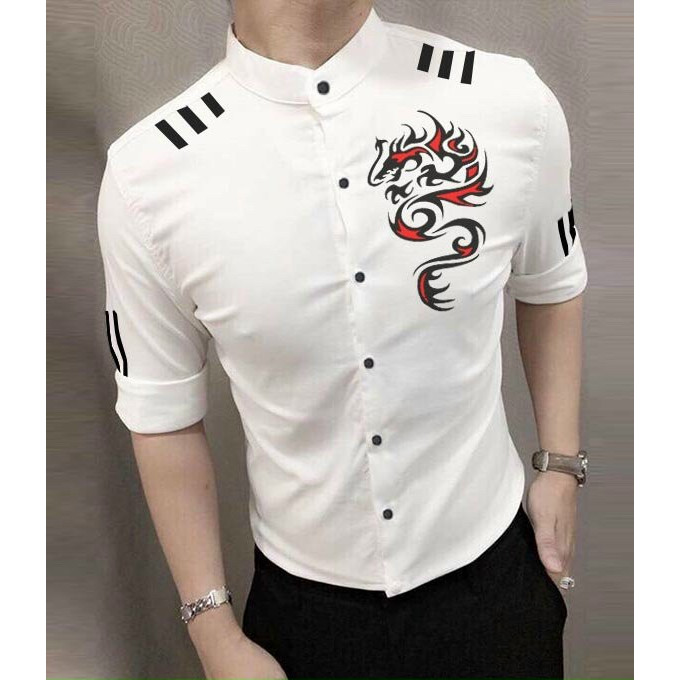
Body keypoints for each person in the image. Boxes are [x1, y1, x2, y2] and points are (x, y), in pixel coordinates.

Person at [97, 1, 589, 677]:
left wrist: (561, 466)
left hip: (498, 585)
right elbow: (161, 413)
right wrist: (213, 634)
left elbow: (552, 280)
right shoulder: (148, 175)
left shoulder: (506, 102)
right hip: (302, 621)